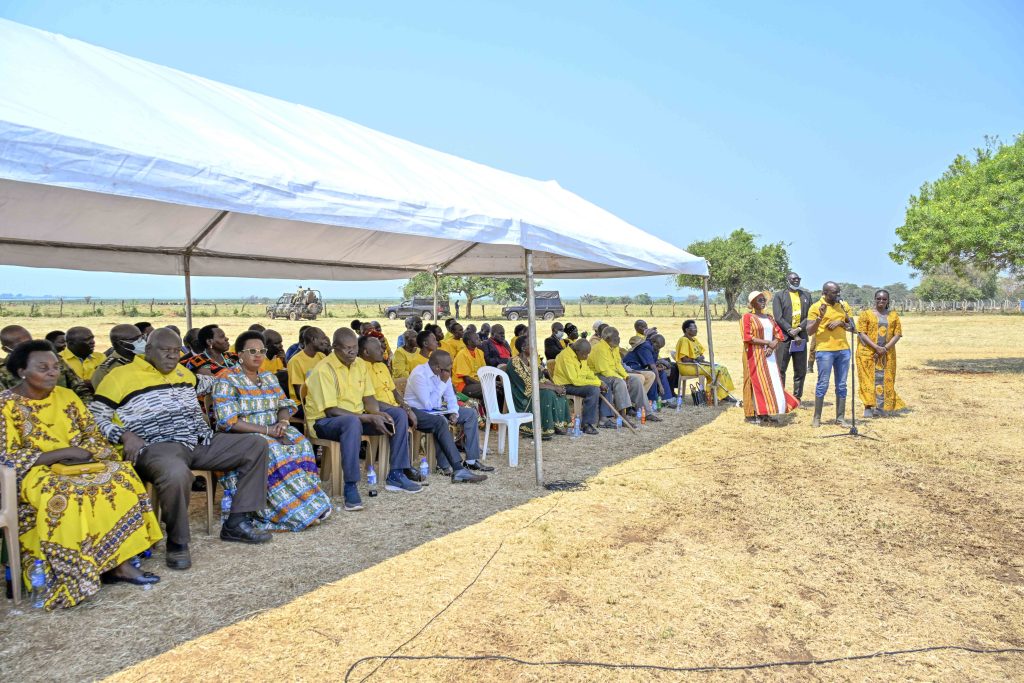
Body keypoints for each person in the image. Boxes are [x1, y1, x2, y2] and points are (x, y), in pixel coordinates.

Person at [91, 328, 272, 570]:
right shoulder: (119, 377)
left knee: (255, 443)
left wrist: (234, 375)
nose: (172, 356)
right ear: (149, 350)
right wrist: (123, 435)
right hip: (157, 446)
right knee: (176, 472)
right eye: (165, 350)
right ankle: (177, 543)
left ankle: (237, 522)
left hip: (198, 441)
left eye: (176, 351)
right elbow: (94, 417)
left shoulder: (182, 373)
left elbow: (209, 382)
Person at [1, 340, 164, 609]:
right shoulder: (6, 405)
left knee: (121, 476)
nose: (52, 372)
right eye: (43, 368)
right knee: (68, 493)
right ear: (22, 371)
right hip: (34, 473)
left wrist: (87, 453)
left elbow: (92, 434)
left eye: (55, 367)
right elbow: (7, 457)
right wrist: (60, 454)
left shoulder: (67, 396)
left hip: (80, 465)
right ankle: (74, 573)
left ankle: (119, 563)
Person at [211, 331, 332, 530]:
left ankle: (309, 503)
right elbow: (229, 421)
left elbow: (283, 404)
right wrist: (268, 430)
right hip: (243, 436)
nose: (258, 355)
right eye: (252, 351)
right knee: (271, 448)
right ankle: (291, 511)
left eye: (261, 351)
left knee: (300, 442)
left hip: (274, 429)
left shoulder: (268, 377)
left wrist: (283, 423)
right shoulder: (226, 379)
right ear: (240, 354)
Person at [305, 328, 421, 512]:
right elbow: (331, 411)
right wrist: (368, 417)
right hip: (324, 422)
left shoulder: (360, 364)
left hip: (356, 417)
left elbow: (369, 399)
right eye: (347, 348)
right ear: (335, 347)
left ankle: (396, 474)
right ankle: (350, 485)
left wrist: (378, 413)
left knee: (397, 415)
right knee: (352, 422)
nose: (352, 352)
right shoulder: (324, 370)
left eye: (354, 347)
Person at [404, 350, 491, 481]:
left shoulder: (443, 373)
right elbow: (428, 404)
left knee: (470, 414)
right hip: (417, 412)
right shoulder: (419, 375)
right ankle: (444, 466)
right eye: (448, 367)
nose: (451, 369)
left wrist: (454, 412)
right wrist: (443, 382)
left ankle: (471, 461)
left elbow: (451, 397)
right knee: (440, 421)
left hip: (438, 410)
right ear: (438, 367)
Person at [358, 335, 426, 484]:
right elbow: (369, 400)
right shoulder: (360, 367)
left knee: (402, 413)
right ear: (365, 352)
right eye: (377, 347)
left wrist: (406, 407)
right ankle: (399, 470)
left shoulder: (382, 366)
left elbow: (395, 393)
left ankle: (404, 466)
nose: (383, 349)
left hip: (392, 408)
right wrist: (403, 411)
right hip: (374, 409)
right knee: (399, 414)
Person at [742, 292, 799, 424]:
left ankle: (764, 412)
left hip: (769, 355)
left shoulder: (769, 317)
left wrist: (773, 346)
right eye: (759, 300)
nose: (762, 301)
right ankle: (750, 414)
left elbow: (779, 334)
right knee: (753, 382)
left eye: (764, 299)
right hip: (753, 354)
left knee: (768, 383)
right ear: (752, 304)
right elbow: (747, 337)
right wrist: (768, 342)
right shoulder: (747, 317)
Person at [806, 281, 855, 427]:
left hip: (843, 350)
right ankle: (817, 417)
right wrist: (820, 318)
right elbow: (809, 331)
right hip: (825, 351)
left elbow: (853, 328)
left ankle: (840, 418)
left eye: (838, 292)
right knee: (823, 383)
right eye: (835, 293)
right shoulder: (815, 307)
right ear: (825, 293)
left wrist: (841, 323)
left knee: (842, 385)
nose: (838, 295)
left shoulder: (844, 306)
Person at [0, 325, 94, 401]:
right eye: (20, 346)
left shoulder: (54, 360)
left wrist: (85, 411)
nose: (27, 349)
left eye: (29, 343)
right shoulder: (3, 372)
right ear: (5, 349)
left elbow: (79, 388)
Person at [856, 289, 906, 418]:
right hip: (867, 353)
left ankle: (881, 407)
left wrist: (885, 348)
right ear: (875, 299)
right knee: (867, 379)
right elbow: (861, 332)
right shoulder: (866, 314)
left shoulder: (893, 315)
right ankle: (868, 406)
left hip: (887, 354)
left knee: (886, 379)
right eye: (878, 298)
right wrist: (876, 347)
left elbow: (897, 334)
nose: (881, 301)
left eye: (884, 299)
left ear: (888, 300)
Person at [508, 335, 570, 438]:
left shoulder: (530, 361)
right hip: (523, 397)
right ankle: (545, 429)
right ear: (523, 348)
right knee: (548, 393)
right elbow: (530, 385)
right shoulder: (515, 363)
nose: (535, 348)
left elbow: (541, 379)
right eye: (531, 345)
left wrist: (557, 386)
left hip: (534, 390)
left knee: (560, 391)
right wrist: (554, 388)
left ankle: (557, 424)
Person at [588, 326, 650, 424]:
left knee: (635, 380)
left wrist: (626, 376)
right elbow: (604, 371)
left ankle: (646, 412)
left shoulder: (614, 347)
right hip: (598, 375)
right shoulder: (599, 349)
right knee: (620, 382)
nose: (619, 338)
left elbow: (618, 365)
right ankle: (623, 415)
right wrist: (622, 378)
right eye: (616, 336)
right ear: (607, 338)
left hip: (612, 374)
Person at [771, 272, 813, 402]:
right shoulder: (779, 296)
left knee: (800, 369)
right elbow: (778, 317)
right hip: (784, 338)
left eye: (798, 279)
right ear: (788, 280)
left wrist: (799, 329)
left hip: (800, 338)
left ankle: (797, 398)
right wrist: (790, 330)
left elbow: (810, 316)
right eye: (794, 279)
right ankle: (780, 397)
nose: (796, 281)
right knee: (781, 368)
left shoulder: (806, 295)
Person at [673, 320, 736, 403]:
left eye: (696, 327)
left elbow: (700, 353)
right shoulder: (683, 340)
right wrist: (695, 359)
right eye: (694, 328)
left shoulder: (694, 340)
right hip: (688, 367)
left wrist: (701, 357)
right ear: (687, 330)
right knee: (716, 371)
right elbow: (684, 359)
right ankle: (718, 396)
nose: (696, 329)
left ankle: (718, 394)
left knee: (722, 368)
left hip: (697, 364)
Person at [551, 340, 601, 435]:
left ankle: (604, 419)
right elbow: (575, 381)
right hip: (565, 385)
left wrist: (599, 381)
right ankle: (586, 425)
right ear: (577, 351)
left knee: (599, 386)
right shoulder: (566, 356)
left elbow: (587, 371)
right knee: (593, 390)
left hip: (577, 383)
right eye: (584, 355)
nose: (586, 357)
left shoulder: (580, 354)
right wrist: (597, 383)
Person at [91, 324, 147, 390]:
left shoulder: (145, 358)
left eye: (142, 337)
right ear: (121, 343)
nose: (142, 341)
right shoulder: (106, 371)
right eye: (136, 339)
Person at [624, 334, 673, 408]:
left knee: (660, 372)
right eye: (658, 346)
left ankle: (665, 399)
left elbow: (653, 363)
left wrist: (659, 366)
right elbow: (652, 367)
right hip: (631, 367)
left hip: (639, 367)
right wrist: (660, 386)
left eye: (660, 348)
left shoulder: (654, 347)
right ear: (653, 341)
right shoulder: (645, 346)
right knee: (653, 373)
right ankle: (652, 400)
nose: (658, 349)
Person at [286, 326, 329, 400]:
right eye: (323, 338)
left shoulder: (321, 356)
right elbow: (300, 394)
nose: (326, 342)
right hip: (302, 404)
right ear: (313, 340)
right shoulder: (295, 361)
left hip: (320, 400)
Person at [453, 331, 486, 399]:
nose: (479, 339)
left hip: (477, 382)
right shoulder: (462, 354)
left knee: (498, 386)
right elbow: (467, 379)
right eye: (476, 338)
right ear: (469, 342)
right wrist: (483, 384)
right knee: (488, 388)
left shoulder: (480, 352)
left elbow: (484, 371)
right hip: (463, 385)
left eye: (478, 338)